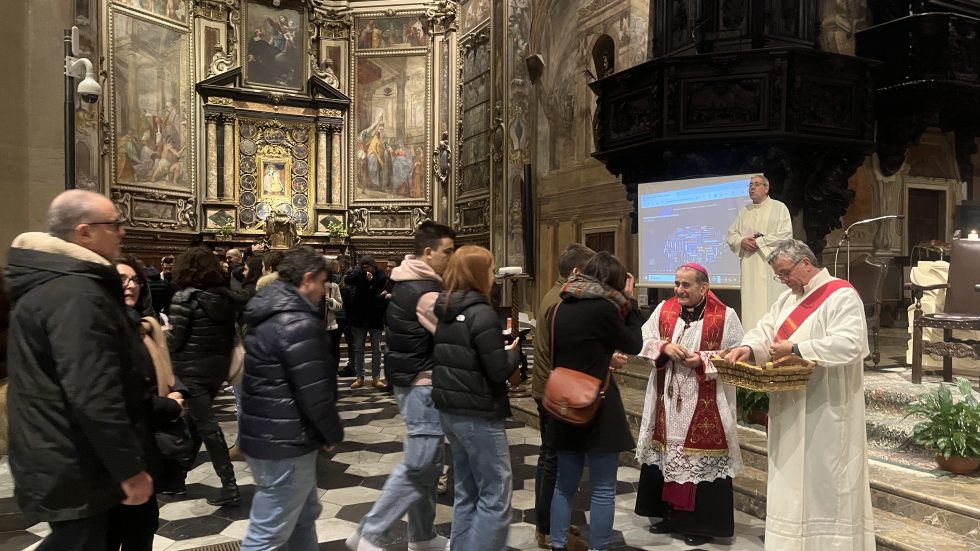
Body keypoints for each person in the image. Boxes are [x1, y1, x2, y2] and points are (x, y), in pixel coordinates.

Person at [5, 190, 153, 550]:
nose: (122, 232)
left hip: (66, 452)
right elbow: (93, 391)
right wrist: (128, 469)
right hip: (75, 459)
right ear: (84, 232)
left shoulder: (54, 282)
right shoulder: (77, 294)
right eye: (114, 224)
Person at [722, 239, 874, 550]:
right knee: (790, 481)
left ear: (805, 263)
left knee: (826, 481)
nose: (783, 280)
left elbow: (852, 343)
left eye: (785, 273)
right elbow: (765, 330)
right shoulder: (788, 300)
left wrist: (798, 348)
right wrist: (748, 347)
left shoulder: (841, 295)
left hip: (826, 407)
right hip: (790, 405)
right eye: (779, 275)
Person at [346, 221, 456, 551]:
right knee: (420, 464)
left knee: (429, 465)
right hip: (423, 383)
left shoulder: (407, 283)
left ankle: (423, 537)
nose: (451, 258)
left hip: (413, 378)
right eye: (448, 251)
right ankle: (371, 532)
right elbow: (454, 338)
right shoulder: (425, 291)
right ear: (429, 252)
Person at [239, 247, 344, 550]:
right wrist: (330, 432)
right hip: (286, 439)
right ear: (308, 279)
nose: (324, 290)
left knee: (303, 516)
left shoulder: (268, 309)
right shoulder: (296, 322)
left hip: (267, 432)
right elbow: (314, 389)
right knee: (267, 534)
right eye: (322, 282)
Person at [634, 263, 744, 546]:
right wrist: (663, 347)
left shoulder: (725, 316)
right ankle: (667, 517)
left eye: (686, 285)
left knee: (697, 461)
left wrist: (702, 359)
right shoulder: (664, 309)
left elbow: (736, 355)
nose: (679, 290)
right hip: (667, 397)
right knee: (666, 456)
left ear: (703, 287)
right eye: (677, 283)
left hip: (703, 397)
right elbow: (643, 340)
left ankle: (700, 524)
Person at [547, 251, 644, 551]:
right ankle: (598, 548)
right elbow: (633, 344)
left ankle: (558, 544)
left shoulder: (560, 305)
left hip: (564, 400)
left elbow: (580, 347)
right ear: (613, 281)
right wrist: (631, 301)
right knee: (602, 488)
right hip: (598, 404)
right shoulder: (604, 309)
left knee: (564, 485)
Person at [431, 246, 521, 551]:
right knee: (496, 493)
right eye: (491, 269)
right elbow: (497, 371)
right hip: (478, 411)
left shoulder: (445, 308)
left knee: (466, 489)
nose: (493, 275)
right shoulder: (481, 313)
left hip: (451, 409)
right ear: (478, 273)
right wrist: (513, 355)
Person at [110, 255, 188, 550]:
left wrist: (177, 390)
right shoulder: (108, 330)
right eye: (121, 279)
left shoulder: (146, 326)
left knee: (142, 530)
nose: (130, 286)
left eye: (135, 280)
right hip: (121, 448)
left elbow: (166, 371)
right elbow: (125, 397)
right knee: (113, 532)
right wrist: (172, 406)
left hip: (147, 443)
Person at [168, 247, 246, 505]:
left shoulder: (184, 298)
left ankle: (229, 486)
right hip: (216, 370)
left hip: (190, 371)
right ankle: (177, 479)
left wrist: (160, 334)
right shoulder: (225, 297)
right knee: (195, 424)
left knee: (208, 427)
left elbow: (175, 341)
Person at [530, 243, 595, 551]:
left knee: (550, 458)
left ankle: (550, 521)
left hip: (548, 387)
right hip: (555, 391)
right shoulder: (562, 302)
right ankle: (547, 529)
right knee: (554, 462)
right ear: (576, 272)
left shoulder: (555, 294)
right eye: (590, 274)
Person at [726, 174, 793, 331]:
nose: (752, 187)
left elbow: (785, 235)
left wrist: (759, 242)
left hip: (771, 267)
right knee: (751, 309)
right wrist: (741, 241)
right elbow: (731, 235)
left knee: (772, 306)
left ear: (766, 188)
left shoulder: (779, 207)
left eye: (756, 184)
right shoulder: (744, 211)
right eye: (750, 185)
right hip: (750, 266)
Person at [345, 255, 390, 389]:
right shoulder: (359, 275)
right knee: (359, 349)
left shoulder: (381, 276)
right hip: (360, 317)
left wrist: (372, 281)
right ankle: (359, 377)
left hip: (375, 317)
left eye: (367, 267)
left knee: (376, 349)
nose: (366, 269)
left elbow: (379, 294)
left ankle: (376, 377)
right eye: (363, 267)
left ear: (373, 266)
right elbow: (347, 280)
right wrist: (361, 272)